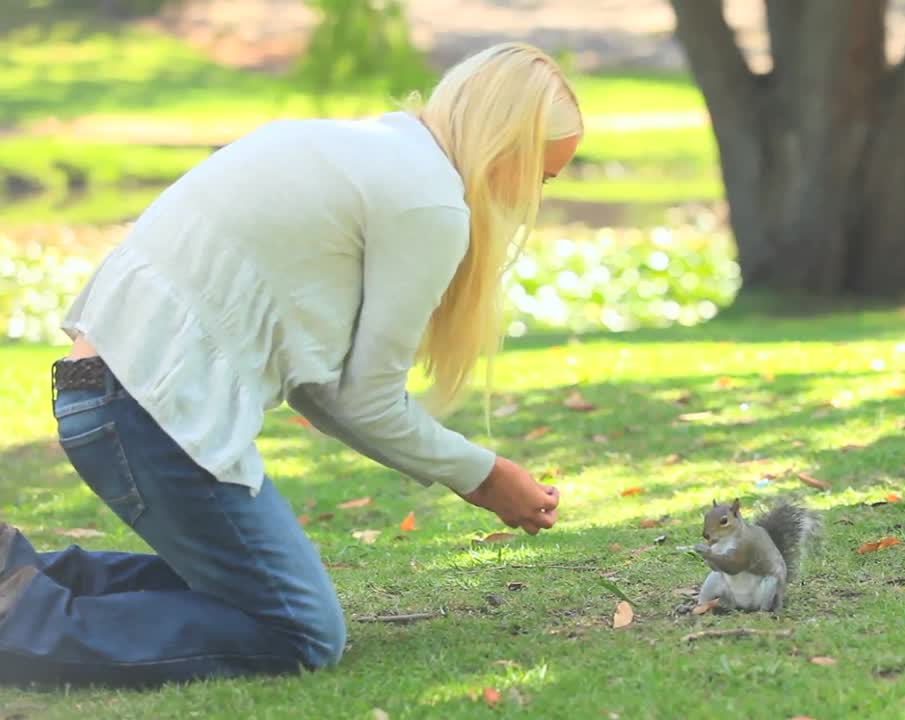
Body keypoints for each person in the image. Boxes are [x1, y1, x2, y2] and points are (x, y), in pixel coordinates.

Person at [0, 41, 580, 688]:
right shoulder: (430, 200)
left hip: (99, 395)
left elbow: (325, 391)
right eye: (539, 178)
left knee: (262, 591)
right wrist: (484, 475)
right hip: (146, 407)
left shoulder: (373, 151)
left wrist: (472, 472)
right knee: (301, 630)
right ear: (504, 147)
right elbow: (366, 402)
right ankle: (18, 628)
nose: (530, 200)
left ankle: (19, 580)